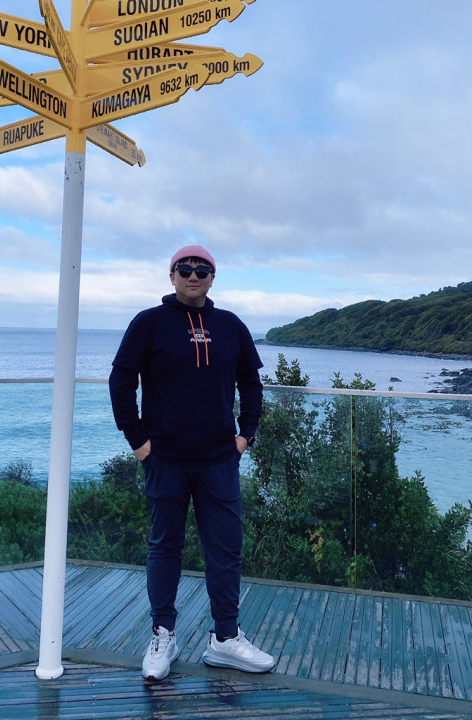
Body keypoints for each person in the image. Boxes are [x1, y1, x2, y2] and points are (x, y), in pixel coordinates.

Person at [109, 245, 276, 681]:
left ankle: (225, 638)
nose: (193, 275)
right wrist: (139, 443)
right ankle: (163, 634)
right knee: (165, 547)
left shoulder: (231, 325)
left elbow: (251, 384)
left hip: (219, 460)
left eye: (203, 269)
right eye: (185, 268)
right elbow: (121, 380)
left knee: (225, 550)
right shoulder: (149, 323)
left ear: (213, 277)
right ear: (172, 275)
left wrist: (245, 435)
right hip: (165, 459)